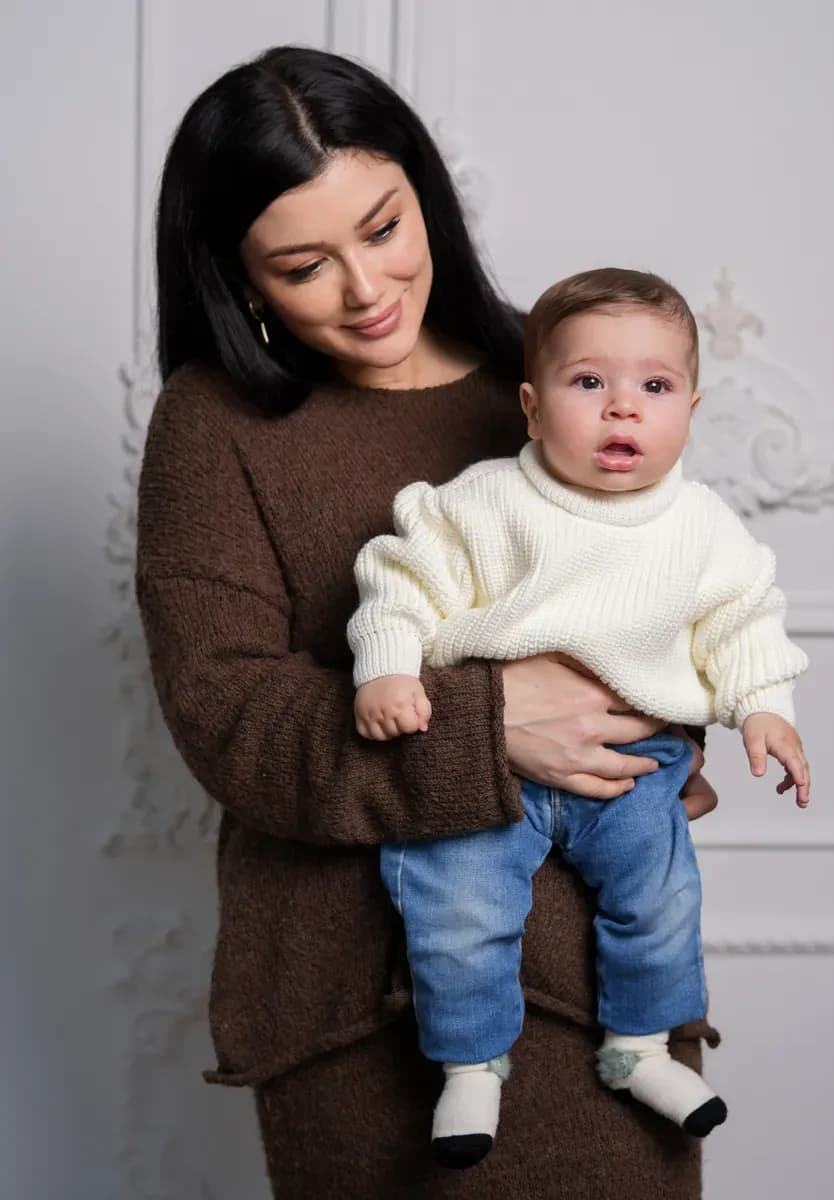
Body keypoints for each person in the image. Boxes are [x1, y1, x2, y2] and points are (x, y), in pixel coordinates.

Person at [137, 45, 721, 1199]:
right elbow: (229, 719)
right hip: (362, 1010)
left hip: (611, 999)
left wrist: (675, 728)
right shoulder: (213, 426)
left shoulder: (555, 372)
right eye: (305, 265)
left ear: (428, 196)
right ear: (240, 280)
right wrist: (486, 724)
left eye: (385, 227)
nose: (366, 287)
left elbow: (671, 580)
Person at [349, 267, 811, 1168]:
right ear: (531, 407)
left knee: (662, 899)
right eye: (589, 381)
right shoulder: (484, 503)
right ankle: (470, 1064)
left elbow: (744, 620)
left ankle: (640, 1048)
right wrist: (387, 669)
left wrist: (765, 708)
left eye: (655, 386)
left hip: (633, 770)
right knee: (458, 904)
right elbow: (399, 583)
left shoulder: (703, 525)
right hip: (488, 766)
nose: (622, 408)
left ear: (691, 410)